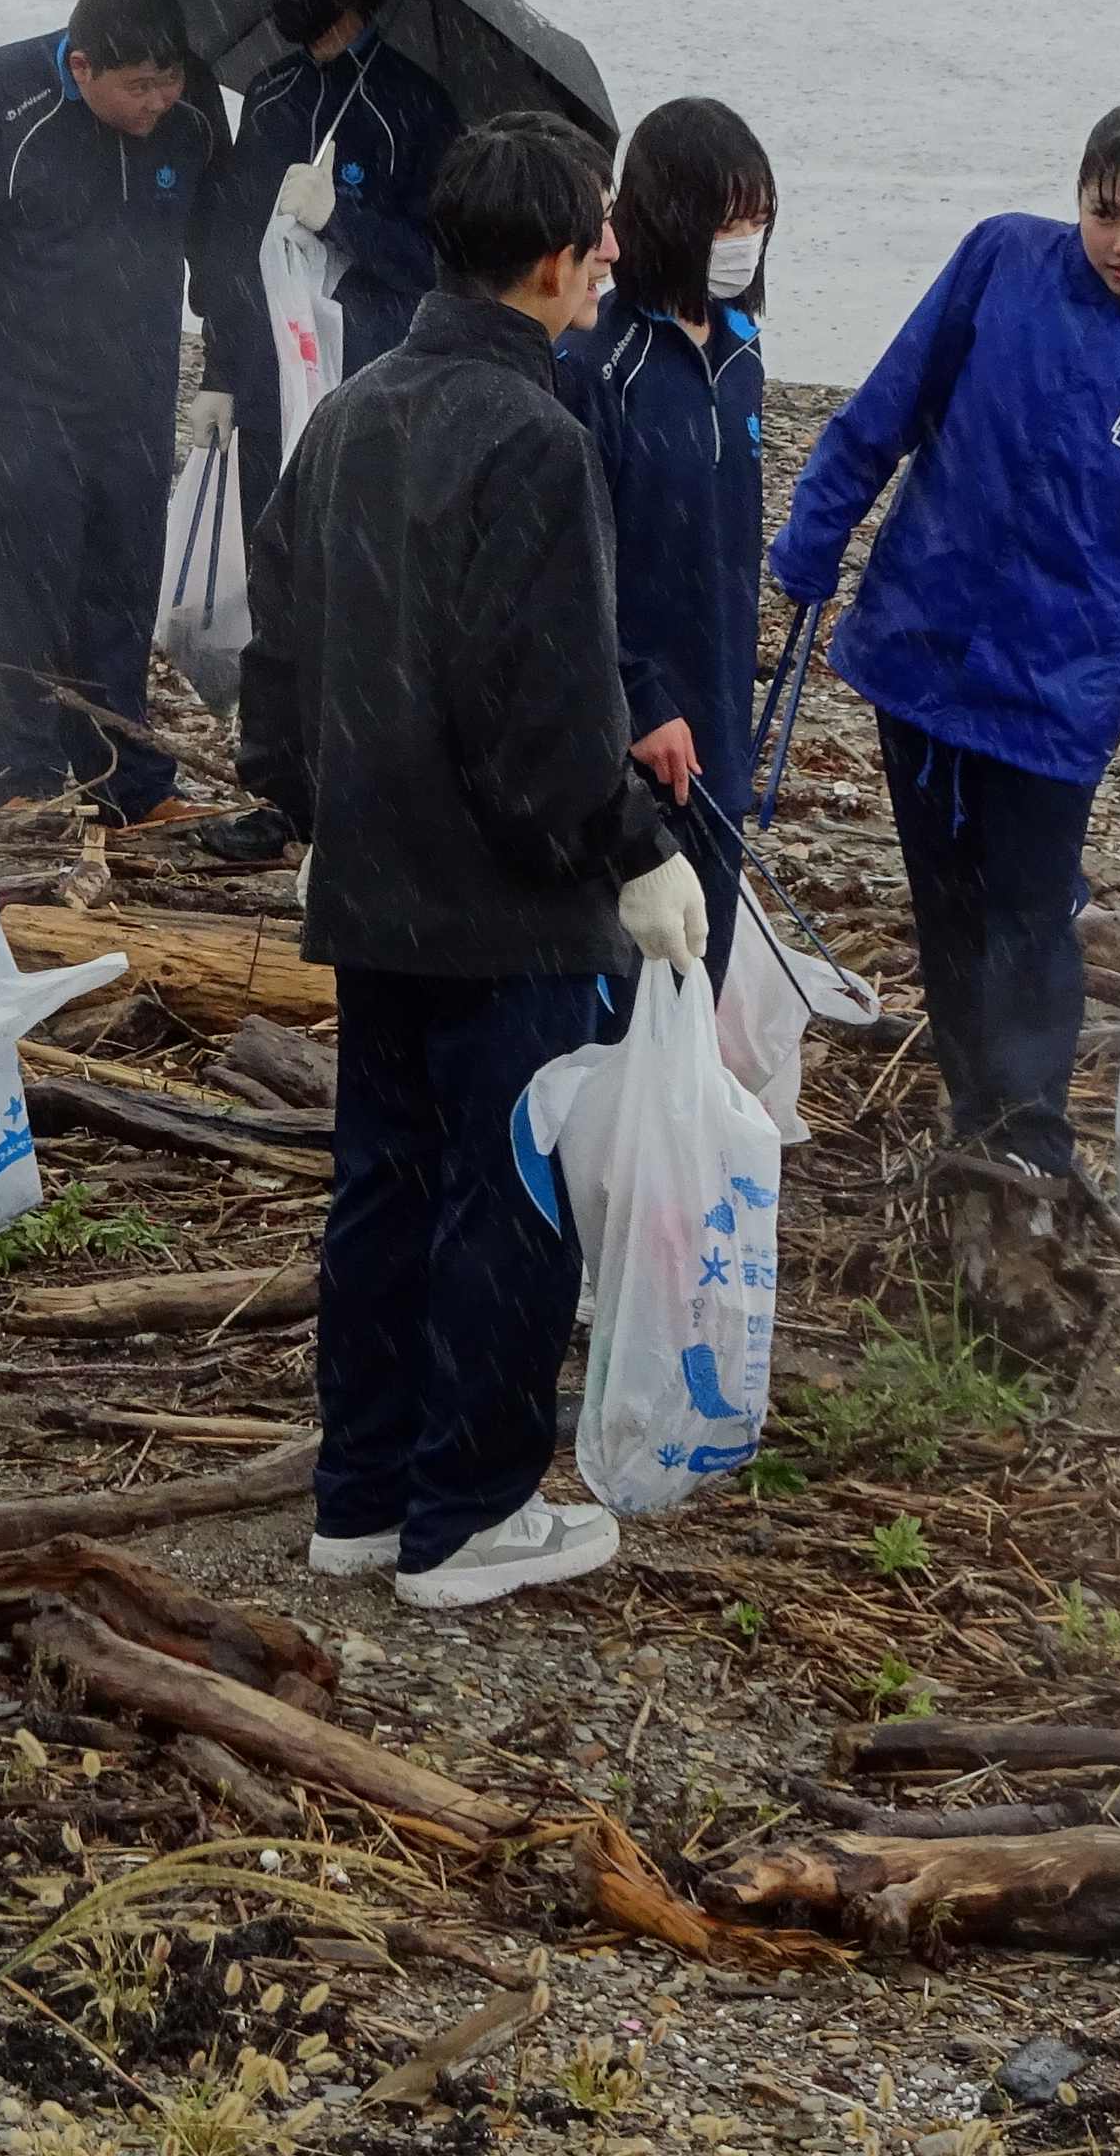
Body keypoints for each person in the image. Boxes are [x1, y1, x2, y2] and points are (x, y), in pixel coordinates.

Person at [237, 112, 709, 1612]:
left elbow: (277, 659)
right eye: (600, 244)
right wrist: (632, 853)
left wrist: (322, 811)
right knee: (507, 1193)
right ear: (562, 264)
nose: (610, 262)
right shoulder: (536, 438)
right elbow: (552, 711)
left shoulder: (355, 410)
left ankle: (361, 1494)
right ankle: (467, 1513)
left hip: (373, 888)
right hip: (505, 906)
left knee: (384, 1185)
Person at [762, 84, 1120, 1324]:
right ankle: (971, 1107)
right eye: (1105, 211)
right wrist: (812, 540)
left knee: (1032, 911)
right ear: (1076, 198)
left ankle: (1029, 1139)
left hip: (1060, 685)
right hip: (922, 645)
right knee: (944, 895)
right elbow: (888, 406)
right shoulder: (1001, 260)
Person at [0, 0, 222, 824]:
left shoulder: (194, 111)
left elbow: (220, 243)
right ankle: (18, 773)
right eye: (138, 86)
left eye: (169, 79)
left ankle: (125, 782)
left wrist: (228, 364)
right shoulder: (0, 99)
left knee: (122, 581)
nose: (159, 101)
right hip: (16, 389)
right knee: (25, 586)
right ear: (81, 67)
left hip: (136, 389)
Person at [192, 0, 463, 867]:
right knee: (281, 578)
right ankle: (280, 788)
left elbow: (443, 261)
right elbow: (231, 249)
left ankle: (370, 780)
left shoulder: (415, 109)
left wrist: (342, 215)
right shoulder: (269, 95)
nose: (279, 0)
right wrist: (219, 372)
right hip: (273, 375)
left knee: (373, 582)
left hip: (375, 375)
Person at [557, 97, 778, 985]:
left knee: (706, 948)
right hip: (633, 712)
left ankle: (683, 1113)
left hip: (720, 693)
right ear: (673, 217)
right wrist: (638, 698)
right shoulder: (596, 364)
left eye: (760, 220)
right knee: (628, 956)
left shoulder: (742, 352)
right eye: (730, 220)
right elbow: (576, 560)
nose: (747, 241)